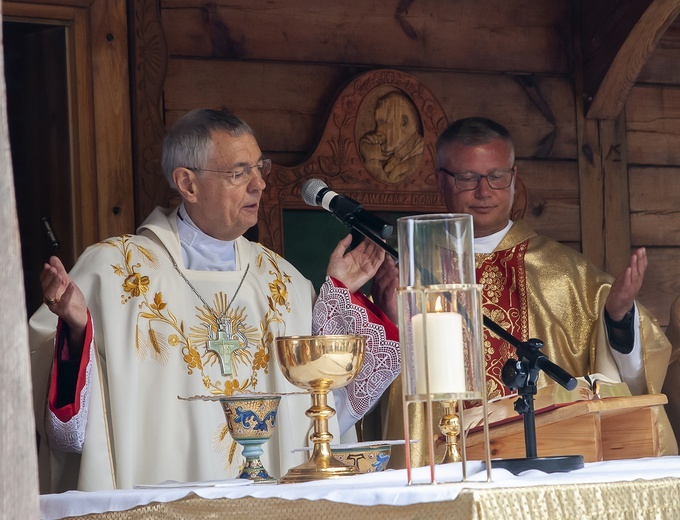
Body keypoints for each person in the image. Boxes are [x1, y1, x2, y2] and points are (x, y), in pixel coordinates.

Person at [29, 109, 400, 492]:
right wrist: (75, 330)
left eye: (260, 168)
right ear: (187, 184)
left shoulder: (283, 282)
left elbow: (326, 410)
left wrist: (338, 295)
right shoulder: (115, 273)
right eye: (239, 173)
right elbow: (62, 427)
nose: (259, 185)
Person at [371, 117, 677, 466]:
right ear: (440, 180)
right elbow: (376, 386)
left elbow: (627, 382)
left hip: (552, 463)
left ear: (514, 179)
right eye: (468, 177)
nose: (484, 191)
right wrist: (392, 326)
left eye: (497, 176)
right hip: (445, 466)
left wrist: (618, 318)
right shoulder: (407, 269)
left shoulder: (567, 273)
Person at [359, 91, 424, 183]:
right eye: (378, 123)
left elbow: (387, 188)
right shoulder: (399, 154)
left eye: (383, 122)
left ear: (403, 123)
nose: (378, 131)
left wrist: (372, 161)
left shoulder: (418, 159)